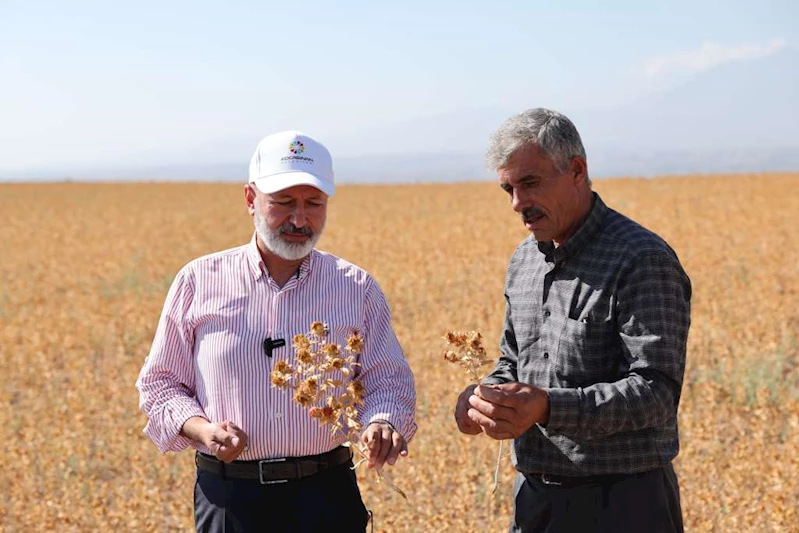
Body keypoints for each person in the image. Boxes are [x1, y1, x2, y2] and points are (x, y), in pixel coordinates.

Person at [136, 130, 417, 532]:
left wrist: (382, 423)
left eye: (313, 203)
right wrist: (203, 429)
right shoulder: (198, 281)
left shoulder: (356, 287)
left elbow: (387, 380)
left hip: (327, 496)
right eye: (283, 202)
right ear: (250, 199)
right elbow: (160, 384)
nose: (299, 219)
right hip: (230, 499)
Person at [454, 108, 691, 532]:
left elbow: (656, 393)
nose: (517, 203)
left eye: (530, 183)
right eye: (508, 188)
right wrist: (485, 399)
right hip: (536, 502)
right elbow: (513, 361)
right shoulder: (524, 262)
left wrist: (547, 407)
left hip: (625, 505)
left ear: (577, 171)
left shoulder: (641, 259)